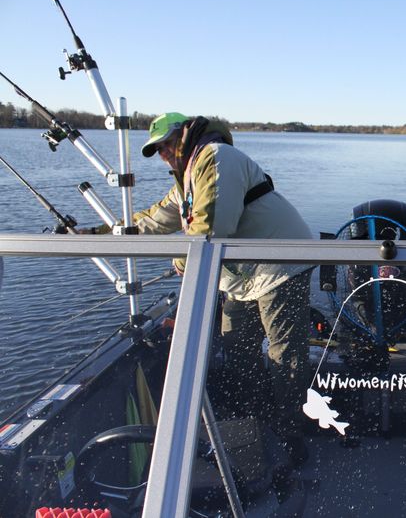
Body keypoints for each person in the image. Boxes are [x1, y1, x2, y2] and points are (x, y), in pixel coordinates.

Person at [86, 113, 314, 464]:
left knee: (286, 355)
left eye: (164, 146)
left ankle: (291, 430)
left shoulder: (216, 158)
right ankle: (254, 418)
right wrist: (102, 235)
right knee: (237, 345)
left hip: (280, 265)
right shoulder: (189, 175)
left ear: (182, 136)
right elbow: (158, 217)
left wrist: (181, 262)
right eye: (157, 151)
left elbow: (211, 228)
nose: (162, 155)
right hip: (244, 277)